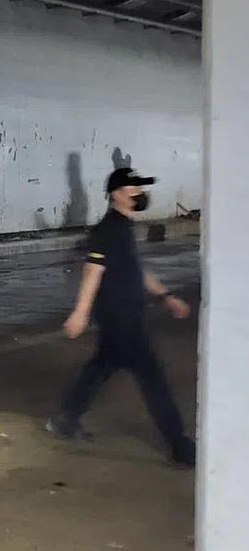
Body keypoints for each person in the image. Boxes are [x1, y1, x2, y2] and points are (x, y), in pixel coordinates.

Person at [46, 167, 196, 467]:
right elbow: (93, 270)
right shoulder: (107, 230)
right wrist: (80, 312)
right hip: (120, 318)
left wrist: (165, 296)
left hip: (125, 315)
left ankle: (65, 418)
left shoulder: (124, 228)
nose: (141, 193)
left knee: (102, 366)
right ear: (117, 194)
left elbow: (137, 270)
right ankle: (179, 445)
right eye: (134, 188)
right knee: (153, 378)